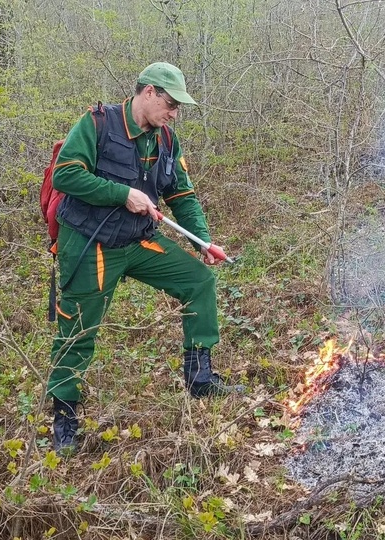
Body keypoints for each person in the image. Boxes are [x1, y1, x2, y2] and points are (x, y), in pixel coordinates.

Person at [47, 62, 242, 455]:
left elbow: (182, 195)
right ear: (148, 92)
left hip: (137, 242)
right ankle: (64, 414)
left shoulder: (166, 140)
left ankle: (199, 376)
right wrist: (123, 194)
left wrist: (203, 242)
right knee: (79, 329)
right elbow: (65, 176)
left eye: (178, 108)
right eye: (170, 104)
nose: (174, 113)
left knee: (198, 281)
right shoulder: (98, 123)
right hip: (91, 243)